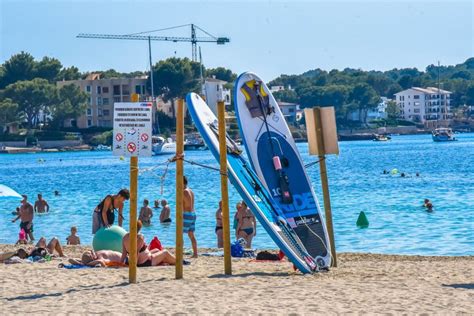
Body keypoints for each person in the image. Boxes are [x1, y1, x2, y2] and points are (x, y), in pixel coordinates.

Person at [182, 176, 198, 258]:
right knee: (191, 234)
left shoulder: (184, 191)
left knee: (179, 234)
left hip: (186, 214)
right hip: (193, 214)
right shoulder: (190, 190)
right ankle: (195, 253)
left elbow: (185, 205)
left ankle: (179, 253)